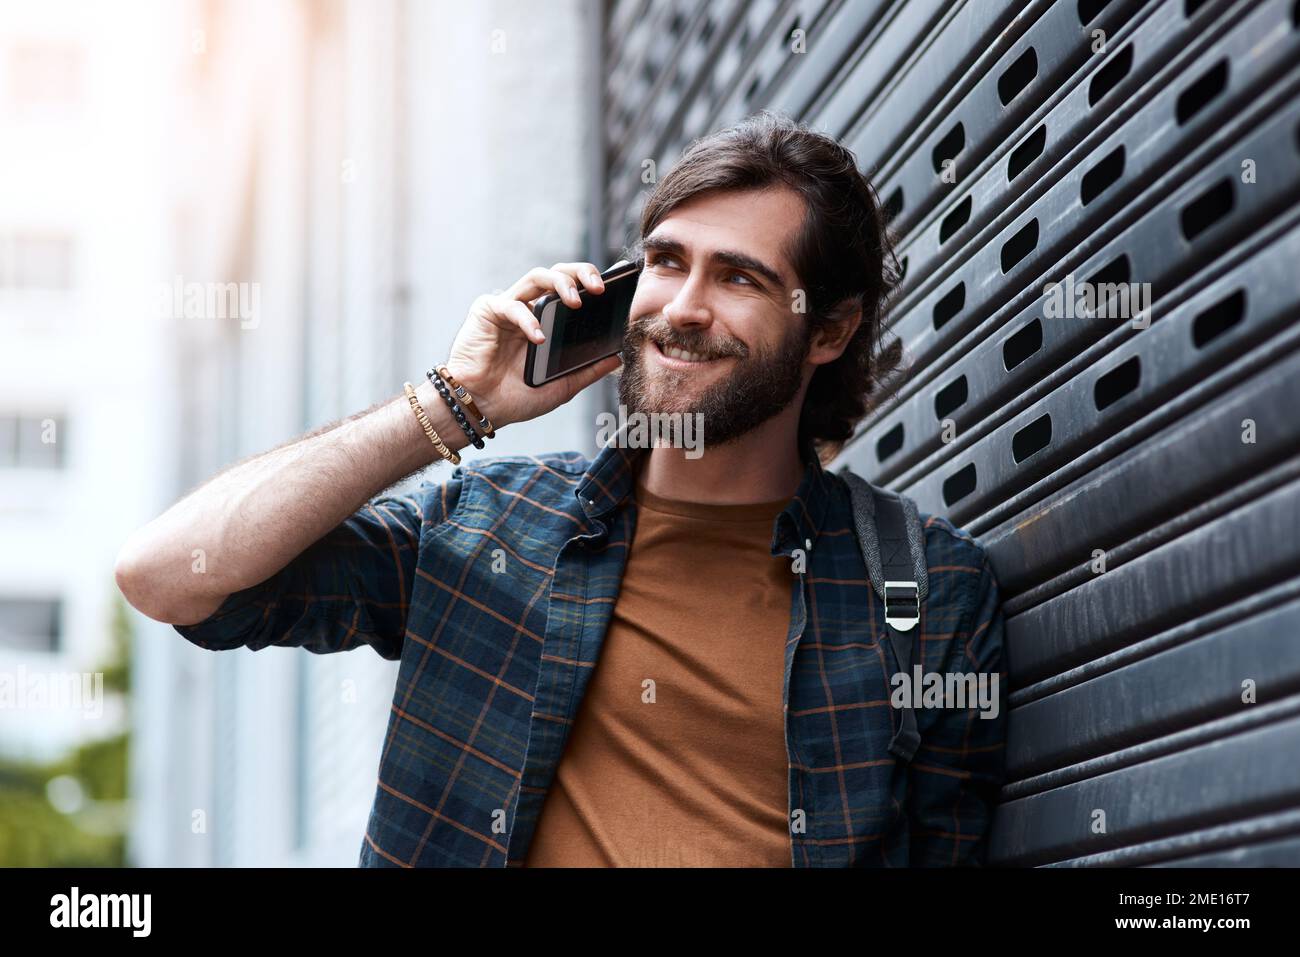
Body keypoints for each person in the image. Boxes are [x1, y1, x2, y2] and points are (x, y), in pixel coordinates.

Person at [115, 109, 1008, 868]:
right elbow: (168, 574)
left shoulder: (926, 595)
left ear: (830, 331)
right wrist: (450, 405)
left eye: (738, 277)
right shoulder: (490, 527)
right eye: (666, 261)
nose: (680, 307)